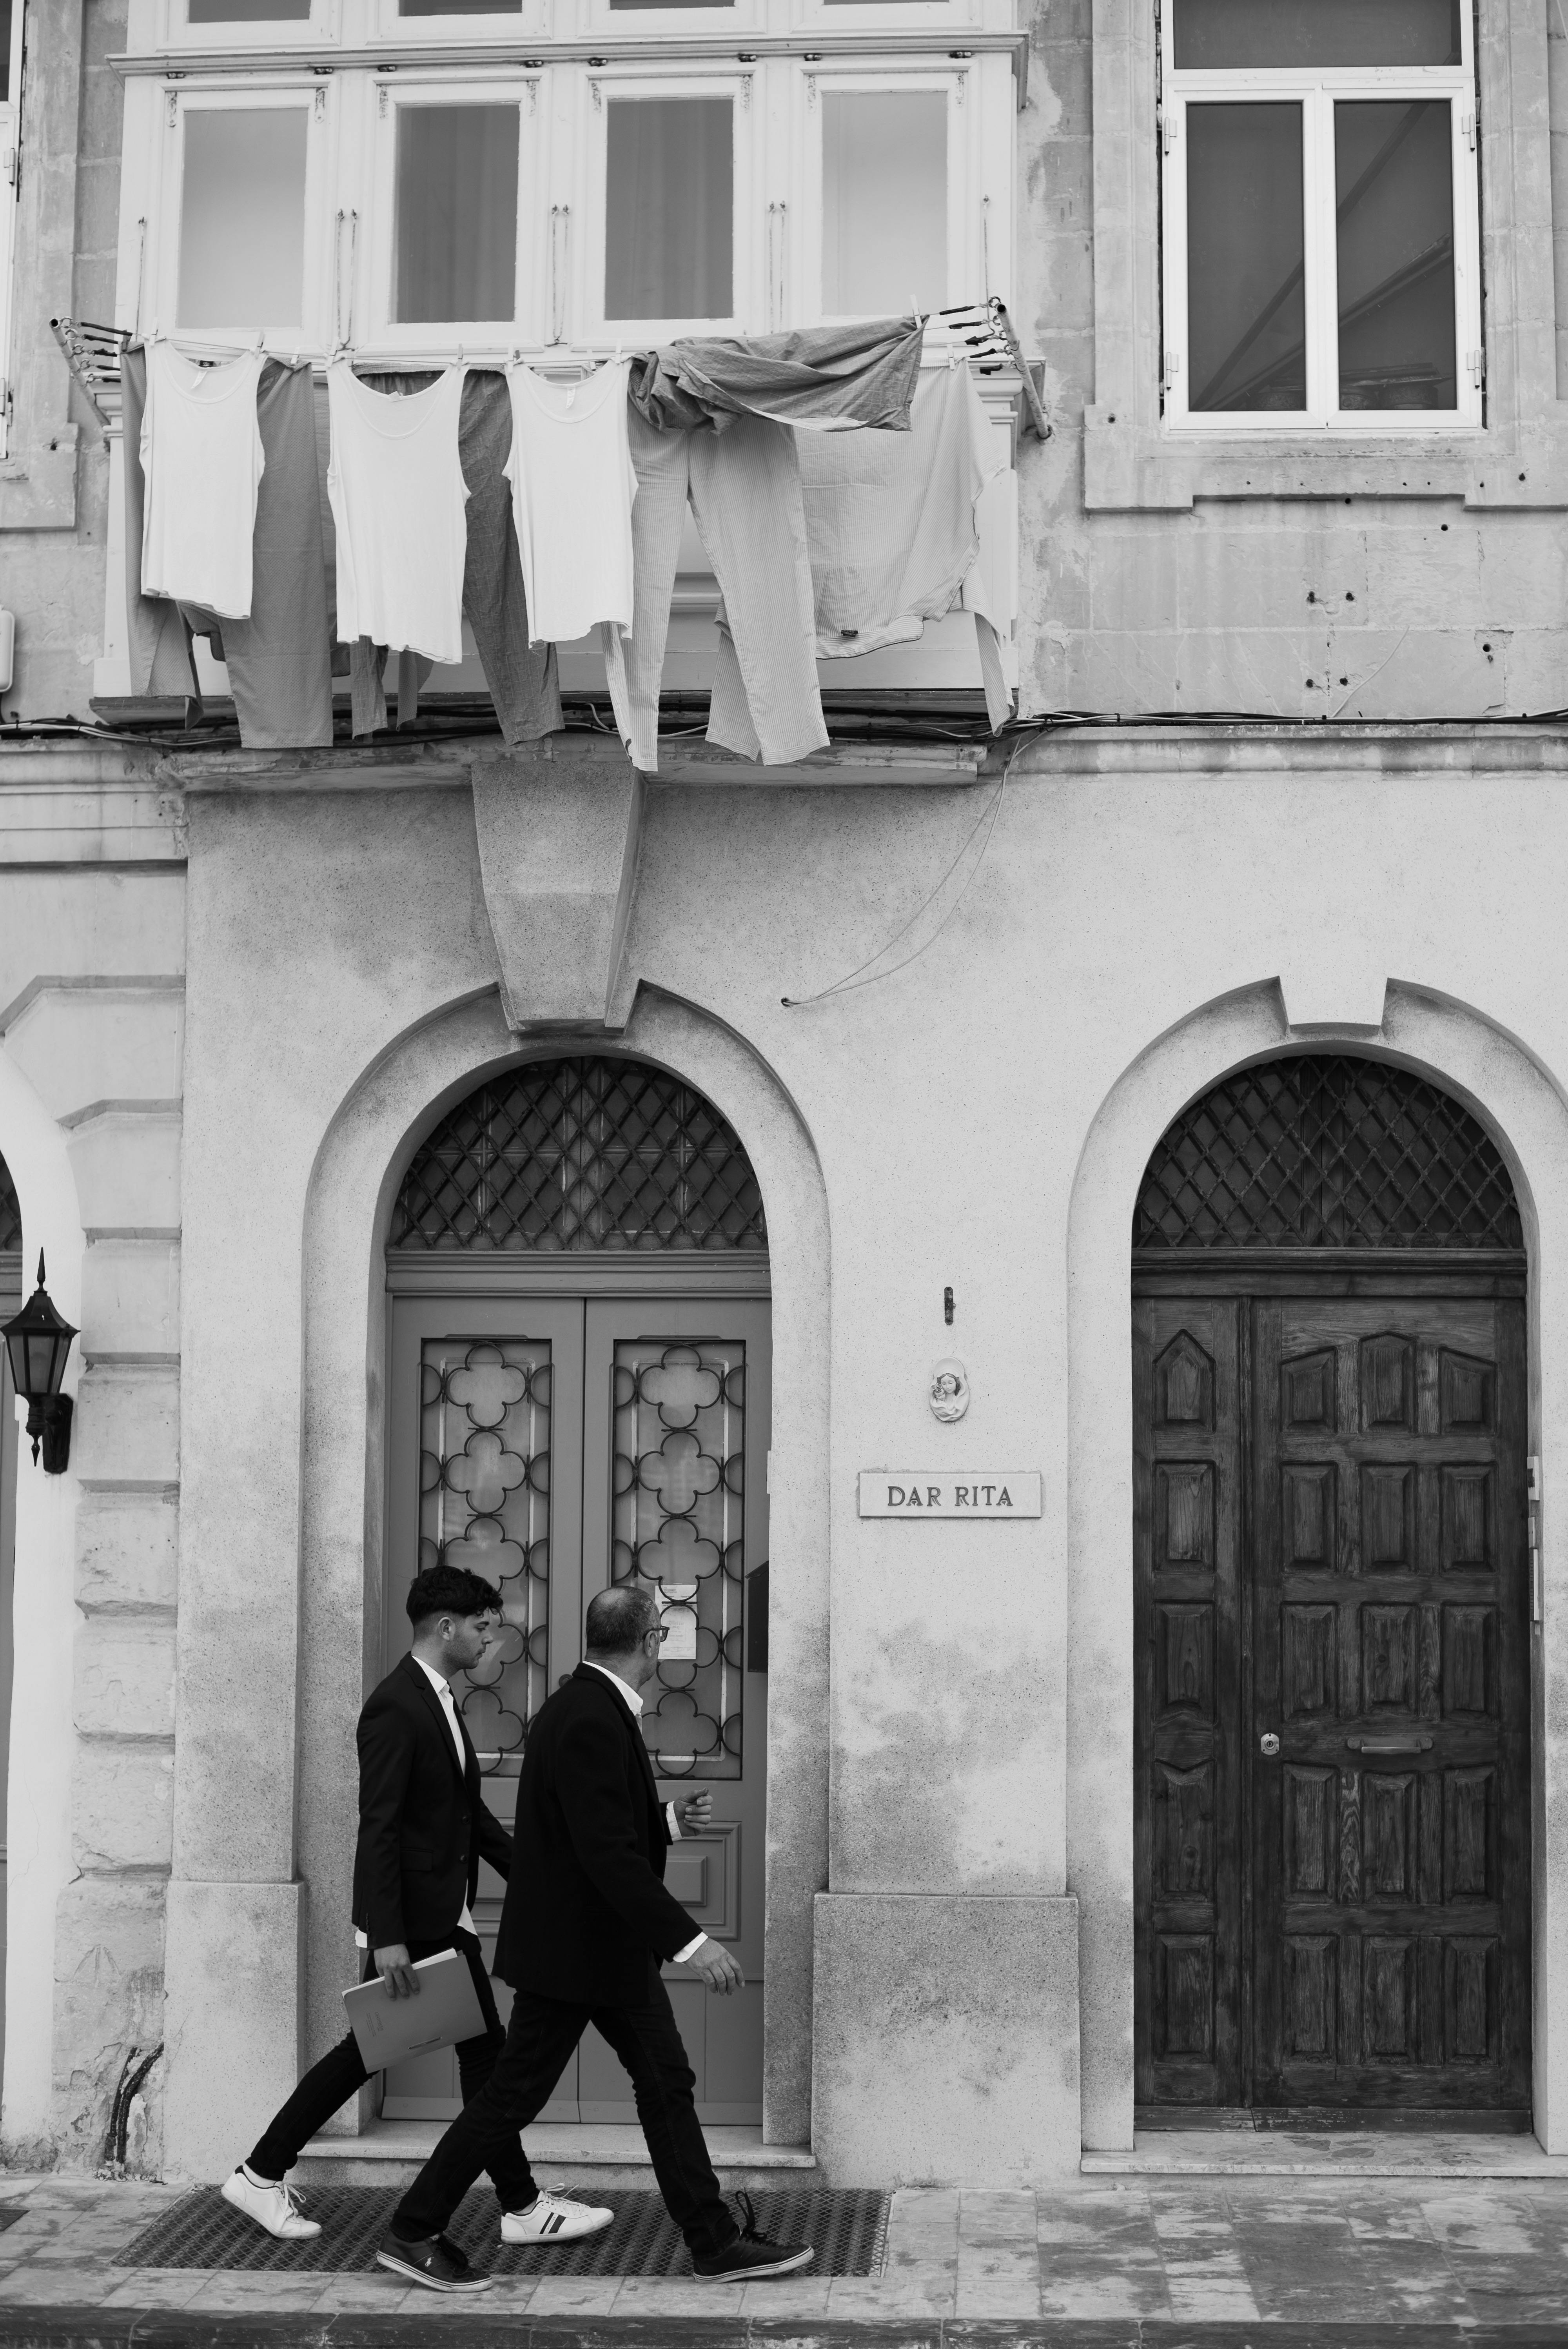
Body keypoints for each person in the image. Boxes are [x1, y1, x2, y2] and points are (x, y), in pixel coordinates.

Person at [377, 1582, 815, 2294]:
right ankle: (414, 2228)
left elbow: (592, 1833)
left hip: (598, 1949)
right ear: (650, 1643)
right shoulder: (589, 1716)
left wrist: (664, 1827)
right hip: (575, 1954)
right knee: (514, 2098)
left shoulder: (589, 1706)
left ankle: (712, 2241)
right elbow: (605, 1854)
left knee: (664, 2083)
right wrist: (691, 1943)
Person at [221, 1564, 635, 2256]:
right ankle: (264, 2171)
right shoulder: (395, 1705)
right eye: (481, 1627)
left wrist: (536, 1877)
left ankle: (517, 2202)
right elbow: (378, 1824)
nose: (490, 1640)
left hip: (442, 1914)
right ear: (444, 1627)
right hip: (417, 1922)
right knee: (398, 2054)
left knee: (473, 2057)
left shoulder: (436, 1698)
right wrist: (387, 1936)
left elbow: (468, 1815)